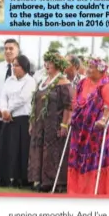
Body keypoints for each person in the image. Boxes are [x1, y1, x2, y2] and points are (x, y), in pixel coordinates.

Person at [67, 58, 109, 195]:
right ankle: (79, 191)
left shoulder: (107, 85)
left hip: (100, 131)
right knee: (80, 160)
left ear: (101, 70)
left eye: (92, 67)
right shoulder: (83, 83)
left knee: (100, 160)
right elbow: (76, 101)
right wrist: (72, 116)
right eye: (88, 66)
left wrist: (103, 120)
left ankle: (100, 191)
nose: (88, 70)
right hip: (82, 130)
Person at [28, 51, 73, 193]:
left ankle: (55, 182)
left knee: (52, 152)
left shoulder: (64, 83)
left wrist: (64, 124)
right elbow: (35, 104)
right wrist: (32, 123)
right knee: (39, 150)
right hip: (40, 124)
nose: (47, 65)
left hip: (55, 123)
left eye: (50, 62)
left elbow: (68, 106)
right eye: (46, 62)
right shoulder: (43, 81)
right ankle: (40, 179)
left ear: (58, 64)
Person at [0, 54, 35, 188]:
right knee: (4, 148)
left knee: (21, 150)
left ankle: (21, 179)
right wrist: (4, 109)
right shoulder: (9, 80)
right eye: (13, 65)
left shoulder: (30, 81)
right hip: (8, 119)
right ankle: (3, 178)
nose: (14, 68)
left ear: (24, 67)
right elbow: (3, 96)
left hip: (22, 119)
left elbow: (23, 98)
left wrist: (8, 110)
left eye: (16, 65)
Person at [0, 38, 19, 184]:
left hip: (14, 115)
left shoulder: (22, 69)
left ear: (17, 51)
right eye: (6, 48)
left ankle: (8, 178)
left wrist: (9, 110)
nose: (8, 51)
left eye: (11, 48)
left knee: (9, 146)